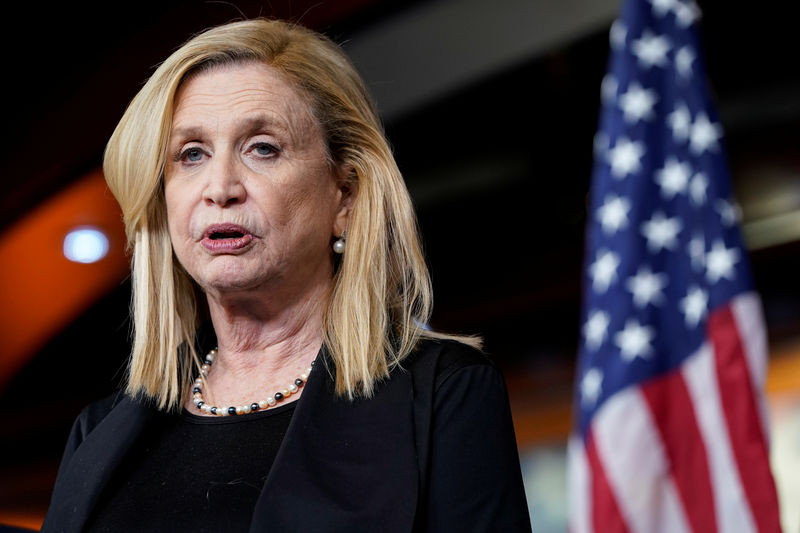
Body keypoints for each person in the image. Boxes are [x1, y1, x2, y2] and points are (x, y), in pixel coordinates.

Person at [42, 18, 531, 532]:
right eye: (191, 154)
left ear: (344, 195)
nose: (220, 187)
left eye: (262, 148)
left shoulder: (441, 396)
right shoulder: (96, 434)